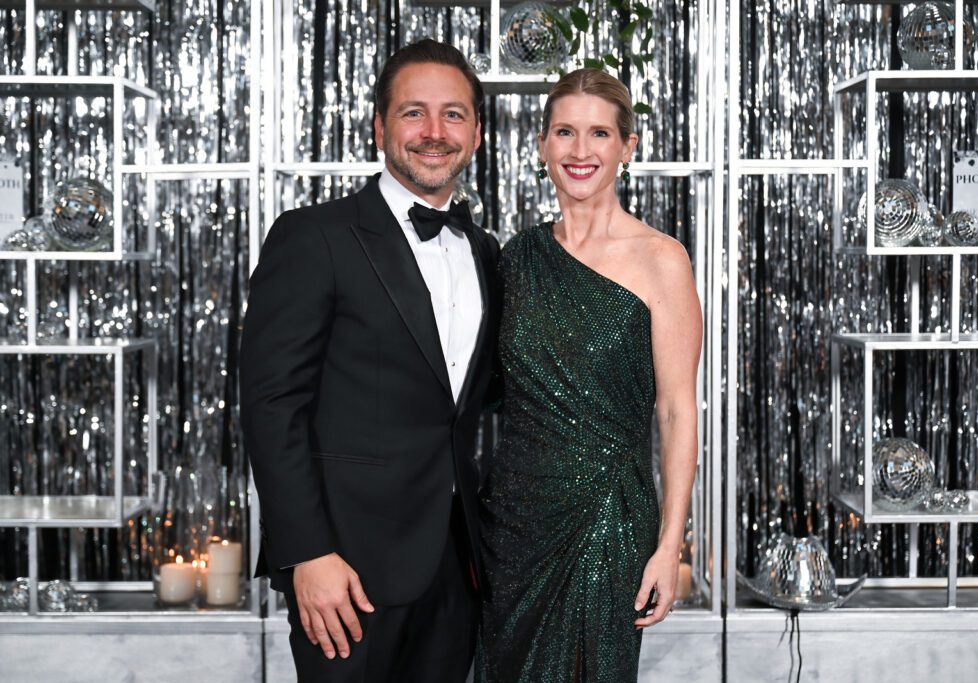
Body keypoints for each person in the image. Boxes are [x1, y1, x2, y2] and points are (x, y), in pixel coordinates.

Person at [240, 39, 500, 682]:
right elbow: (272, 407)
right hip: (345, 575)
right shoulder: (314, 236)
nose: (434, 133)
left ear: (476, 133)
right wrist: (308, 553)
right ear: (379, 126)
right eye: (414, 113)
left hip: (456, 568)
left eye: (454, 114)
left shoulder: (487, 251)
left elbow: (475, 401)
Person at [476, 68, 703, 682]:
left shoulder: (663, 260)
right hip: (511, 525)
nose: (581, 151)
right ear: (543, 144)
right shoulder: (512, 258)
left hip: (608, 518)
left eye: (599, 133)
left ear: (628, 147)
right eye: (565, 133)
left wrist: (669, 543)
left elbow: (679, 411)